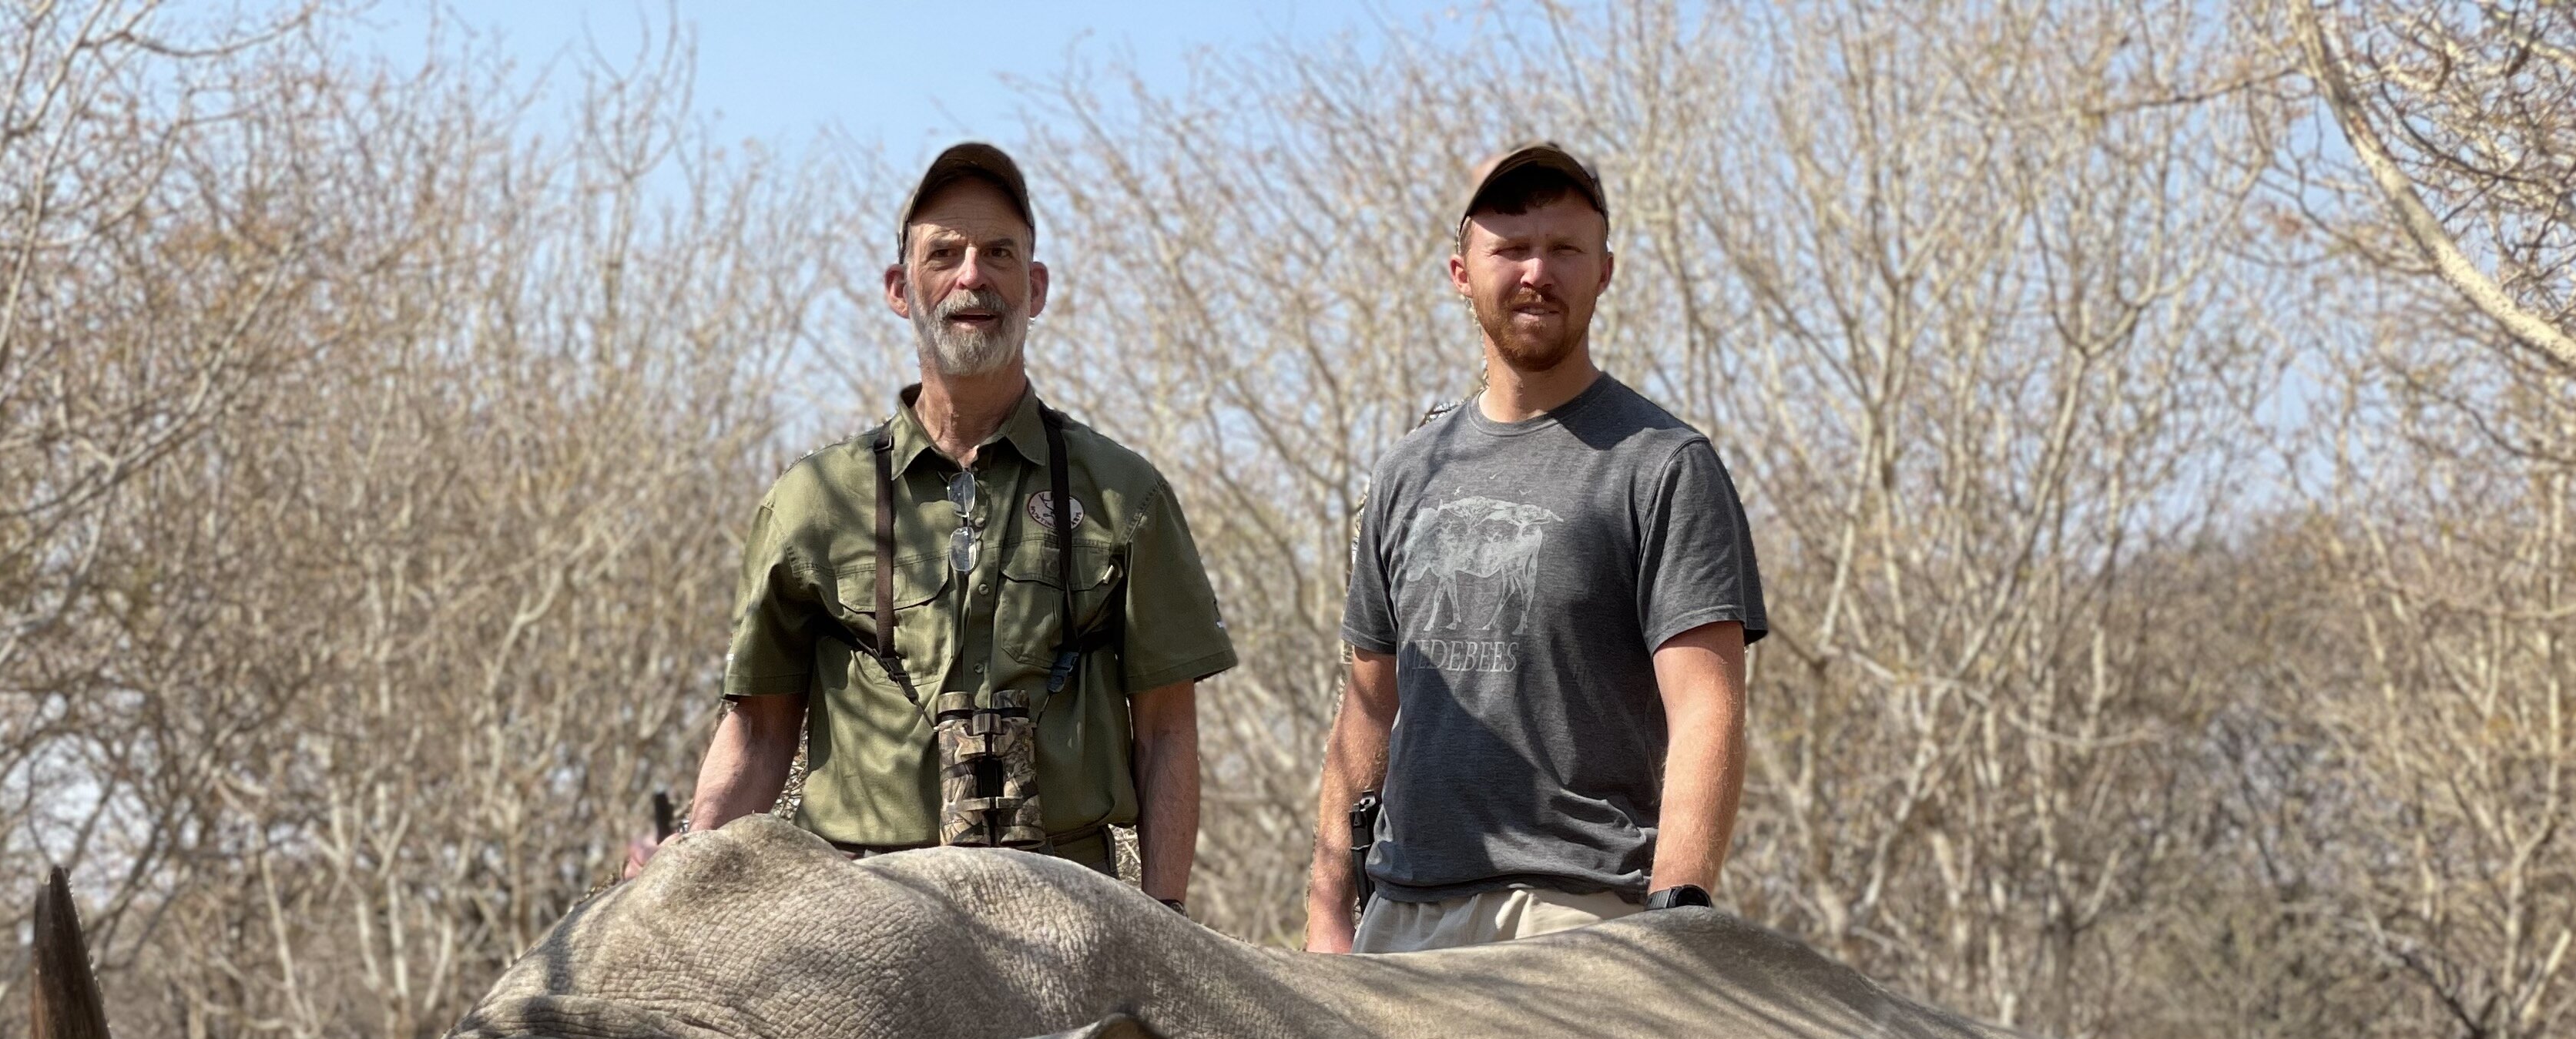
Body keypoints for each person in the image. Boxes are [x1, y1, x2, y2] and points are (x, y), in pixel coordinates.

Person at [655, 143, 1235, 910]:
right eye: (945, 254)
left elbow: (1166, 734)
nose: (973, 277)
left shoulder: (1124, 494)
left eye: (1000, 253)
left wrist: (1163, 925)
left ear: (1036, 286)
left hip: (1069, 909)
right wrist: (688, 881)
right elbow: (759, 734)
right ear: (901, 289)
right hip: (861, 911)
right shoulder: (813, 501)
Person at [1304, 142, 1765, 954]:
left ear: (1605, 271)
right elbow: (1370, 705)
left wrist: (1677, 916)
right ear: (1460, 273)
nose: (1536, 273)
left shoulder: (1663, 464)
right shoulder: (1410, 470)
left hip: (1581, 915)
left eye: (1563, 249)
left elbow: (1706, 706)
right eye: (1511, 248)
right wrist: (1330, 913)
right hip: (1404, 915)